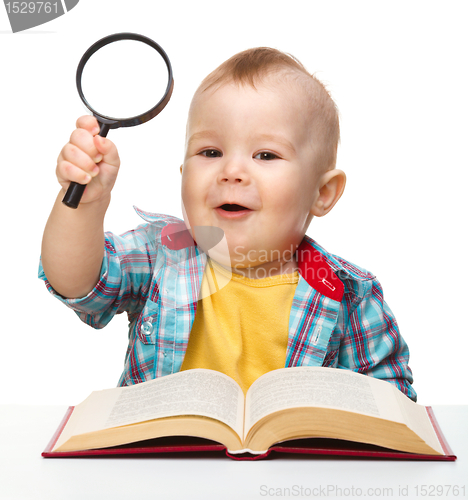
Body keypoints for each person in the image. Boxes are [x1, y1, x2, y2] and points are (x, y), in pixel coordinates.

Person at [39, 47, 416, 401]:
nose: (232, 171)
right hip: (160, 467)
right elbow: (76, 283)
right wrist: (86, 205)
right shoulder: (161, 255)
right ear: (183, 174)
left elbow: (390, 403)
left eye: (266, 154)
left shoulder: (350, 295)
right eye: (210, 152)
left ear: (323, 193)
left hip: (290, 470)